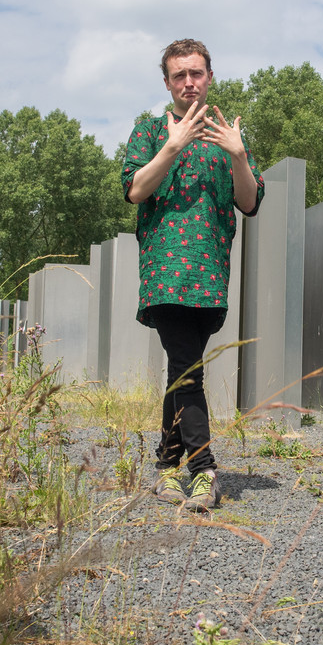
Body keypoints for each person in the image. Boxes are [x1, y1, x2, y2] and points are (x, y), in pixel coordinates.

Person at [121, 39, 264, 513]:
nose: (188, 83)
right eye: (179, 75)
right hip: (164, 273)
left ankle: (165, 465)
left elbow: (249, 203)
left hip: (209, 275)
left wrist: (240, 157)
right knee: (188, 369)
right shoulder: (148, 129)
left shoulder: (227, 135)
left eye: (196, 73)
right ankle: (203, 471)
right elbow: (136, 190)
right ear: (167, 82)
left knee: (182, 371)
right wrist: (172, 146)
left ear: (209, 77)